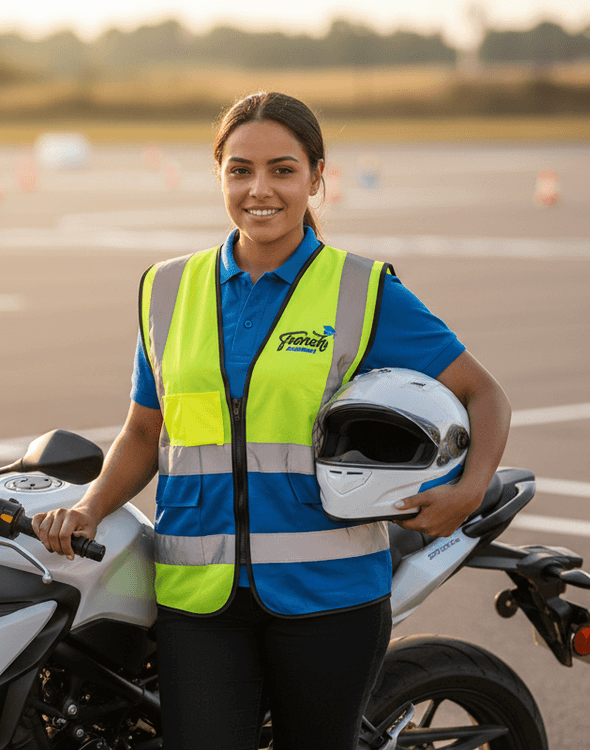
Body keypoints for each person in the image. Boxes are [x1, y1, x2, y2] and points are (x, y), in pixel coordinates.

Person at [32, 91, 512, 750]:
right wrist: (89, 508)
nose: (260, 189)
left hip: (330, 596)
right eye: (240, 170)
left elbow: (484, 394)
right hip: (198, 599)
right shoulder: (167, 289)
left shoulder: (361, 290)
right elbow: (145, 431)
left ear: (317, 177)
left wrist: (468, 490)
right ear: (219, 175)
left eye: (283, 170)